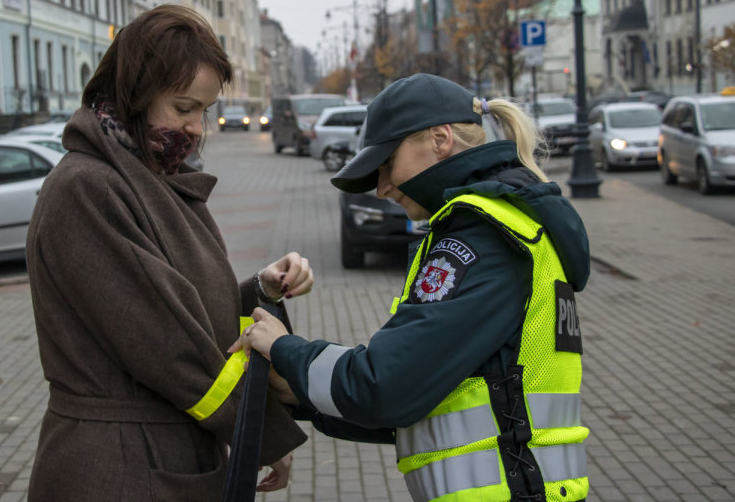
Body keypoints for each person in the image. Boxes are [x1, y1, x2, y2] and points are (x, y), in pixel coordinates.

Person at [233, 74, 591, 501]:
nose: (382, 187)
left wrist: (284, 348)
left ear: (440, 139)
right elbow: (427, 401)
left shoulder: (480, 239)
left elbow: (385, 387)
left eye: (387, 165)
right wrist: (299, 393)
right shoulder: (514, 225)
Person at [26, 4, 312, 501]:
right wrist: (259, 434)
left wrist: (259, 288)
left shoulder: (153, 178)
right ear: (131, 96)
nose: (197, 127)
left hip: (161, 453)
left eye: (203, 110)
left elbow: (190, 308)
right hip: (119, 467)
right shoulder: (88, 189)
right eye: (183, 108)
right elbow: (170, 347)